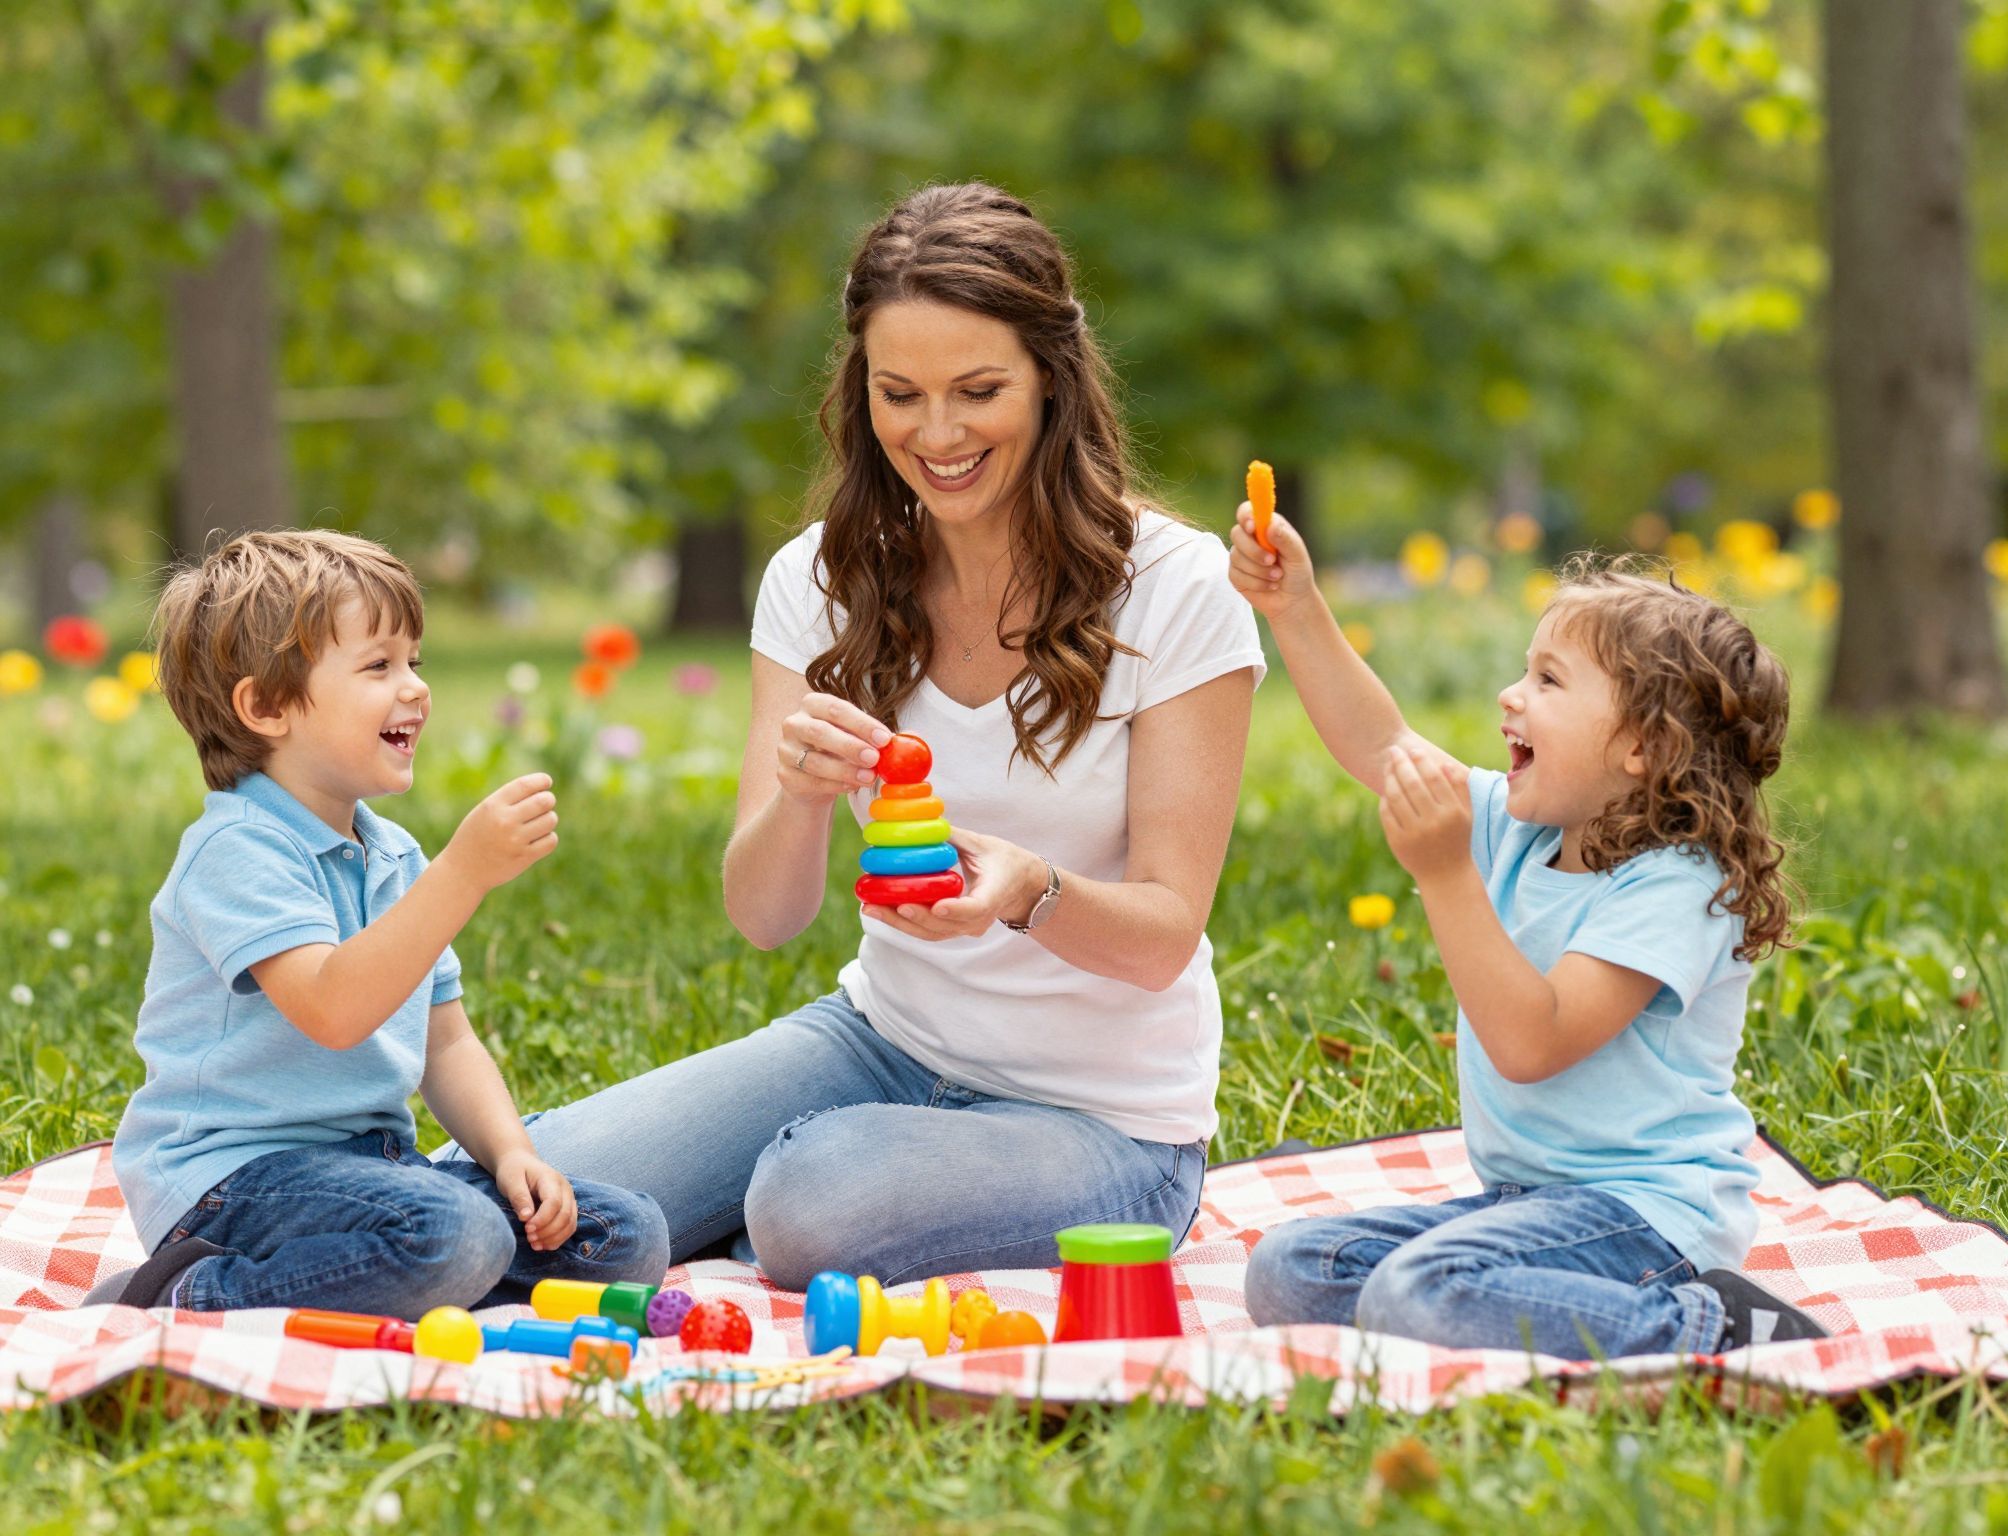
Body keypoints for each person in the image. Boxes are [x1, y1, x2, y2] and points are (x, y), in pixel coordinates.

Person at [510, 183, 1265, 1289]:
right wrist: (802, 795)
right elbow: (763, 917)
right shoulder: (817, 581)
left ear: (1053, 378)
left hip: (1106, 1125)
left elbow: (1160, 936)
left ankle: (772, 1201)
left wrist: (1029, 891)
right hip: (879, 1044)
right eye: (897, 393)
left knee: (809, 1203)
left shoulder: (1174, 587)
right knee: (525, 1182)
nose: (937, 434)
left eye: (978, 391)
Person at [1233, 506, 1825, 1357]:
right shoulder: (1521, 829)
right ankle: (1512, 1304)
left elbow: (1532, 1042)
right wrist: (1296, 608)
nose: (1511, 696)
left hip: (1649, 1216)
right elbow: (1384, 744)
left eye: (1549, 682)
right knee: (1293, 1267)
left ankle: (1714, 1325)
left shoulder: (1678, 885)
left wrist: (1442, 873)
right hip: (1525, 1204)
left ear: (1644, 747)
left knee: (1420, 1293)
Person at [94, 530, 667, 1317]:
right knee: (455, 1233)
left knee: (626, 1238)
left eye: (414, 663)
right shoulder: (237, 848)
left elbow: (448, 1043)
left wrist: (511, 1154)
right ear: (265, 706)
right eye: (378, 667)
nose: (415, 689)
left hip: (374, 1172)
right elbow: (334, 1009)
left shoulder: (392, 854)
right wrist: (464, 874)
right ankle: (190, 1293)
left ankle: (407, 1276)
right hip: (232, 1185)